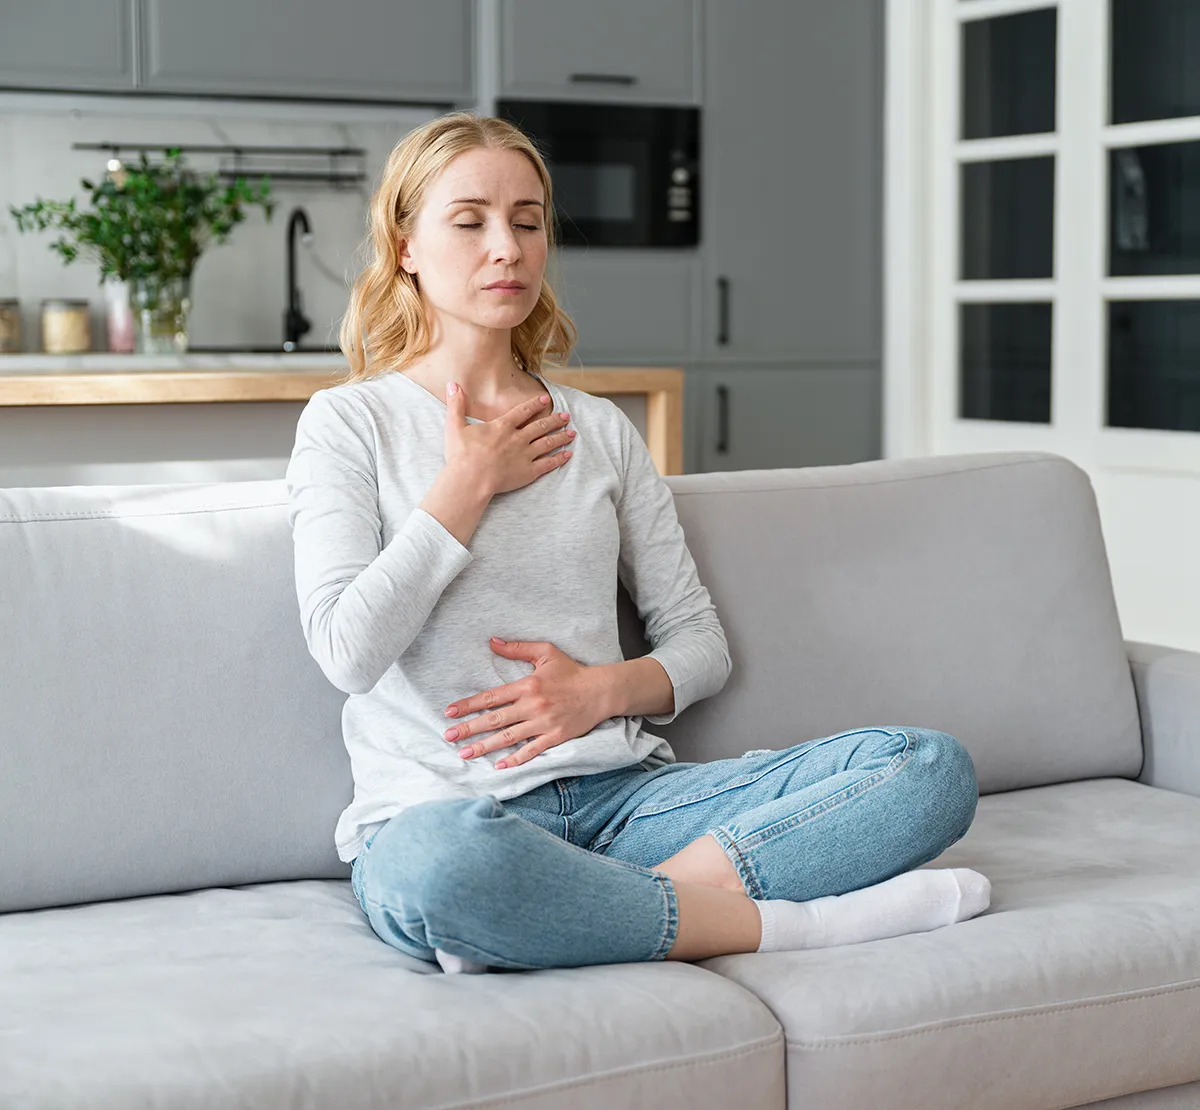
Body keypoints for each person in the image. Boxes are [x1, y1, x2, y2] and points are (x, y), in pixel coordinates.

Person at [285, 111, 990, 974]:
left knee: (926, 770)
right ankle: (785, 926)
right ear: (405, 247)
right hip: (445, 810)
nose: (505, 248)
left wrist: (601, 692)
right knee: (444, 868)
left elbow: (701, 645)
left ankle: (587, 910)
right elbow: (347, 654)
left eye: (528, 221)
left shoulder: (601, 431)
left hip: (626, 805)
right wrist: (465, 488)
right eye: (469, 222)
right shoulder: (349, 424)